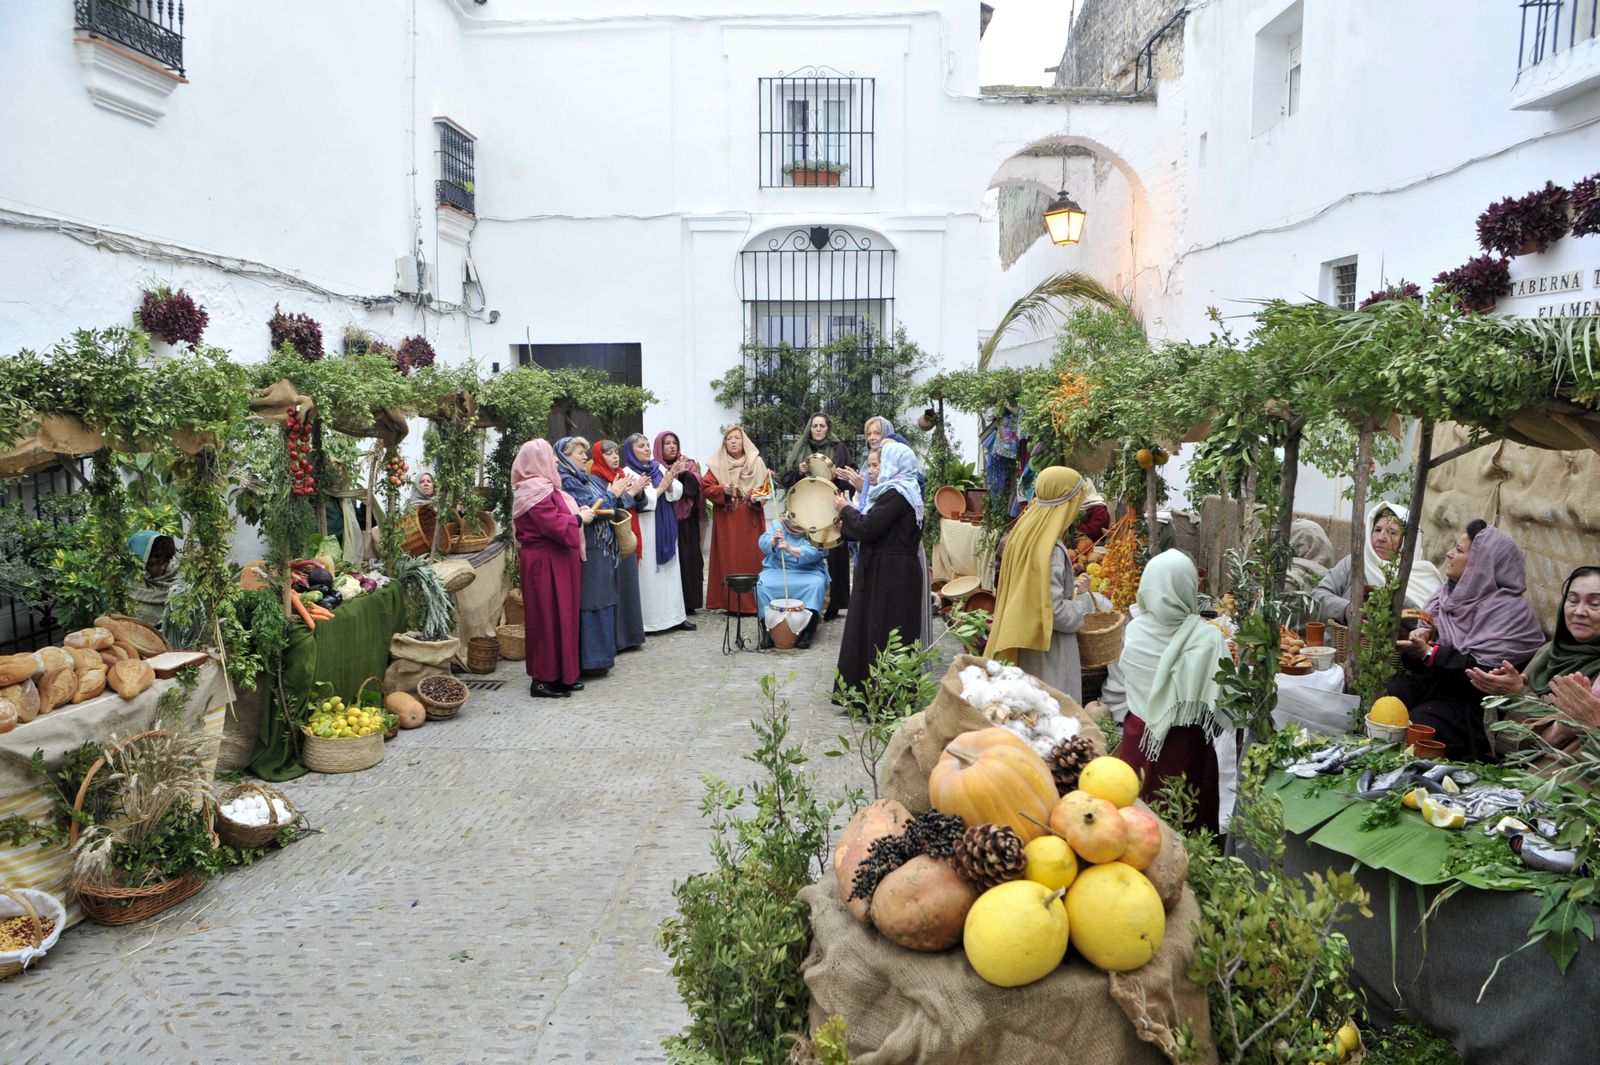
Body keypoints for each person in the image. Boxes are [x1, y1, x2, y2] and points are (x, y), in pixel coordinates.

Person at [1388, 525, 1547, 761]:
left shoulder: (1509, 612)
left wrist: (1430, 653)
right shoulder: (1447, 597)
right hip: (1439, 688)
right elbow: (1429, 658)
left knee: (1421, 725)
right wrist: (1418, 650)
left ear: (1480, 566)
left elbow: (1481, 675)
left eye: (1459, 550)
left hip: (1475, 708)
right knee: (1388, 699)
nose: (1449, 554)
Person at [1107, 549, 1231, 835]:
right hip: (1187, 747)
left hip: (1141, 740)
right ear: (1187, 588)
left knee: (1138, 822)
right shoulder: (1208, 638)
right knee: (1188, 823)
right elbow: (1224, 698)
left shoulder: (1135, 632)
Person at [983, 467, 1094, 702]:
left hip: (1025, 641)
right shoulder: (1050, 549)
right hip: (1048, 655)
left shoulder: (1023, 532)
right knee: (1049, 718)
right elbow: (1054, 613)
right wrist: (1081, 603)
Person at [1475, 567, 1600, 762]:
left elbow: (1577, 743)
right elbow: (1511, 744)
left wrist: (1520, 695)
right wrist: (1508, 693)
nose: (1579, 612)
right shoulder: (1548, 652)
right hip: (1519, 770)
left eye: (1594, 604)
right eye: (1573, 600)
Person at [834, 440, 928, 694]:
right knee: (878, 627)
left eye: (880, 464)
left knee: (884, 629)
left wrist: (845, 510)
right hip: (891, 568)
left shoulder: (896, 494)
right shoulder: (900, 491)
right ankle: (875, 690)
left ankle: (882, 693)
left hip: (890, 573)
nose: (873, 470)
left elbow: (868, 527)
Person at [513, 440, 591, 699]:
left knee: (564, 617)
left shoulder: (547, 488)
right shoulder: (532, 490)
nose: (555, 461)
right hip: (544, 564)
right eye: (550, 456)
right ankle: (542, 680)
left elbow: (558, 515)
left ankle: (563, 675)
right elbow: (552, 524)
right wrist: (579, 519)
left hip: (559, 561)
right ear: (537, 460)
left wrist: (576, 512)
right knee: (546, 618)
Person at [1311, 502, 1442, 624]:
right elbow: (1316, 597)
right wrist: (1347, 609)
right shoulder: (1355, 563)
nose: (1381, 538)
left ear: (1406, 542)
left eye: (1392, 533)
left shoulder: (1425, 576)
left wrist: (1392, 602)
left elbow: (1429, 623)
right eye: (1377, 530)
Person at [556, 436, 623, 676]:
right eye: (578, 453)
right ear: (565, 456)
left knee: (602, 597)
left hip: (597, 546)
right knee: (593, 600)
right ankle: (591, 660)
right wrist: (613, 493)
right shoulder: (568, 480)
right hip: (590, 548)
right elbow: (592, 507)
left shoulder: (580, 478)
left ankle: (600, 658)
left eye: (585, 452)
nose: (584, 457)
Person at [778, 413, 854, 620]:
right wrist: (800, 471)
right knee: (807, 552)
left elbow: (852, 476)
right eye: (815, 426)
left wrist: (840, 476)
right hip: (805, 508)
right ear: (810, 429)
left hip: (831, 507)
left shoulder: (839, 448)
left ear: (828, 428)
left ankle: (834, 605)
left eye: (822, 426)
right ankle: (807, 600)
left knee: (835, 551)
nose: (818, 429)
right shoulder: (801, 449)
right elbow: (785, 479)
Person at [623, 433, 695, 634]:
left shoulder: (658, 467)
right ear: (631, 451)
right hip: (646, 528)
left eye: (647, 445)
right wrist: (661, 487)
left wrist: (670, 480)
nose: (646, 449)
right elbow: (643, 502)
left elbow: (677, 492)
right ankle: (650, 622)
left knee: (671, 575)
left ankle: (676, 617)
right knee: (649, 575)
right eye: (641, 446)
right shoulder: (628, 472)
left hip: (667, 527)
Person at [703, 426, 771, 614]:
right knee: (729, 558)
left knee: (752, 557)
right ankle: (730, 603)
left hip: (750, 518)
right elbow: (706, 487)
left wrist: (755, 497)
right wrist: (722, 490)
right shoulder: (717, 463)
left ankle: (753, 602)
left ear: (744, 442)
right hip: (727, 519)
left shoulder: (756, 462)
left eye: (737, 438)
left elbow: (766, 489)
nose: (733, 442)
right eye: (729, 438)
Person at [590, 440, 648, 653]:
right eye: (609, 454)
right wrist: (629, 494)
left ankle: (631, 636)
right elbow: (606, 507)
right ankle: (617, 639)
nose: (615, 457)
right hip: (610, 539)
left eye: (616, 453)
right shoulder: (594, 479)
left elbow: (639, 505)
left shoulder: (622, 476)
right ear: (598, 457)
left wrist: (639, 492)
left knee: (629, 585)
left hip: (627, 535)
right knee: (615, 586)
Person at [755, 513, 830, 650]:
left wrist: (790, 549)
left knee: (816, 585)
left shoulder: (815, 527)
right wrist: (773, 541)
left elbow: (817, 551)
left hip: (808, 571)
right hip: (777, 569)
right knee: (761, 583)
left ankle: (808, 631)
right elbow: (762, 542)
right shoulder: (778, 524)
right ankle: (767, 630)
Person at [655, 431, 705, 615]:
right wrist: (672, 475)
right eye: (667, 443)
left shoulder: (688, 463)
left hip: (687, 522)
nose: (672, 446)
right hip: (665, 518)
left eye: (674, 442)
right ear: (660, 447)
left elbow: (698, 484)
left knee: (689, 558)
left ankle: (690, 602)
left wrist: (684, 474)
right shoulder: (655, 467)